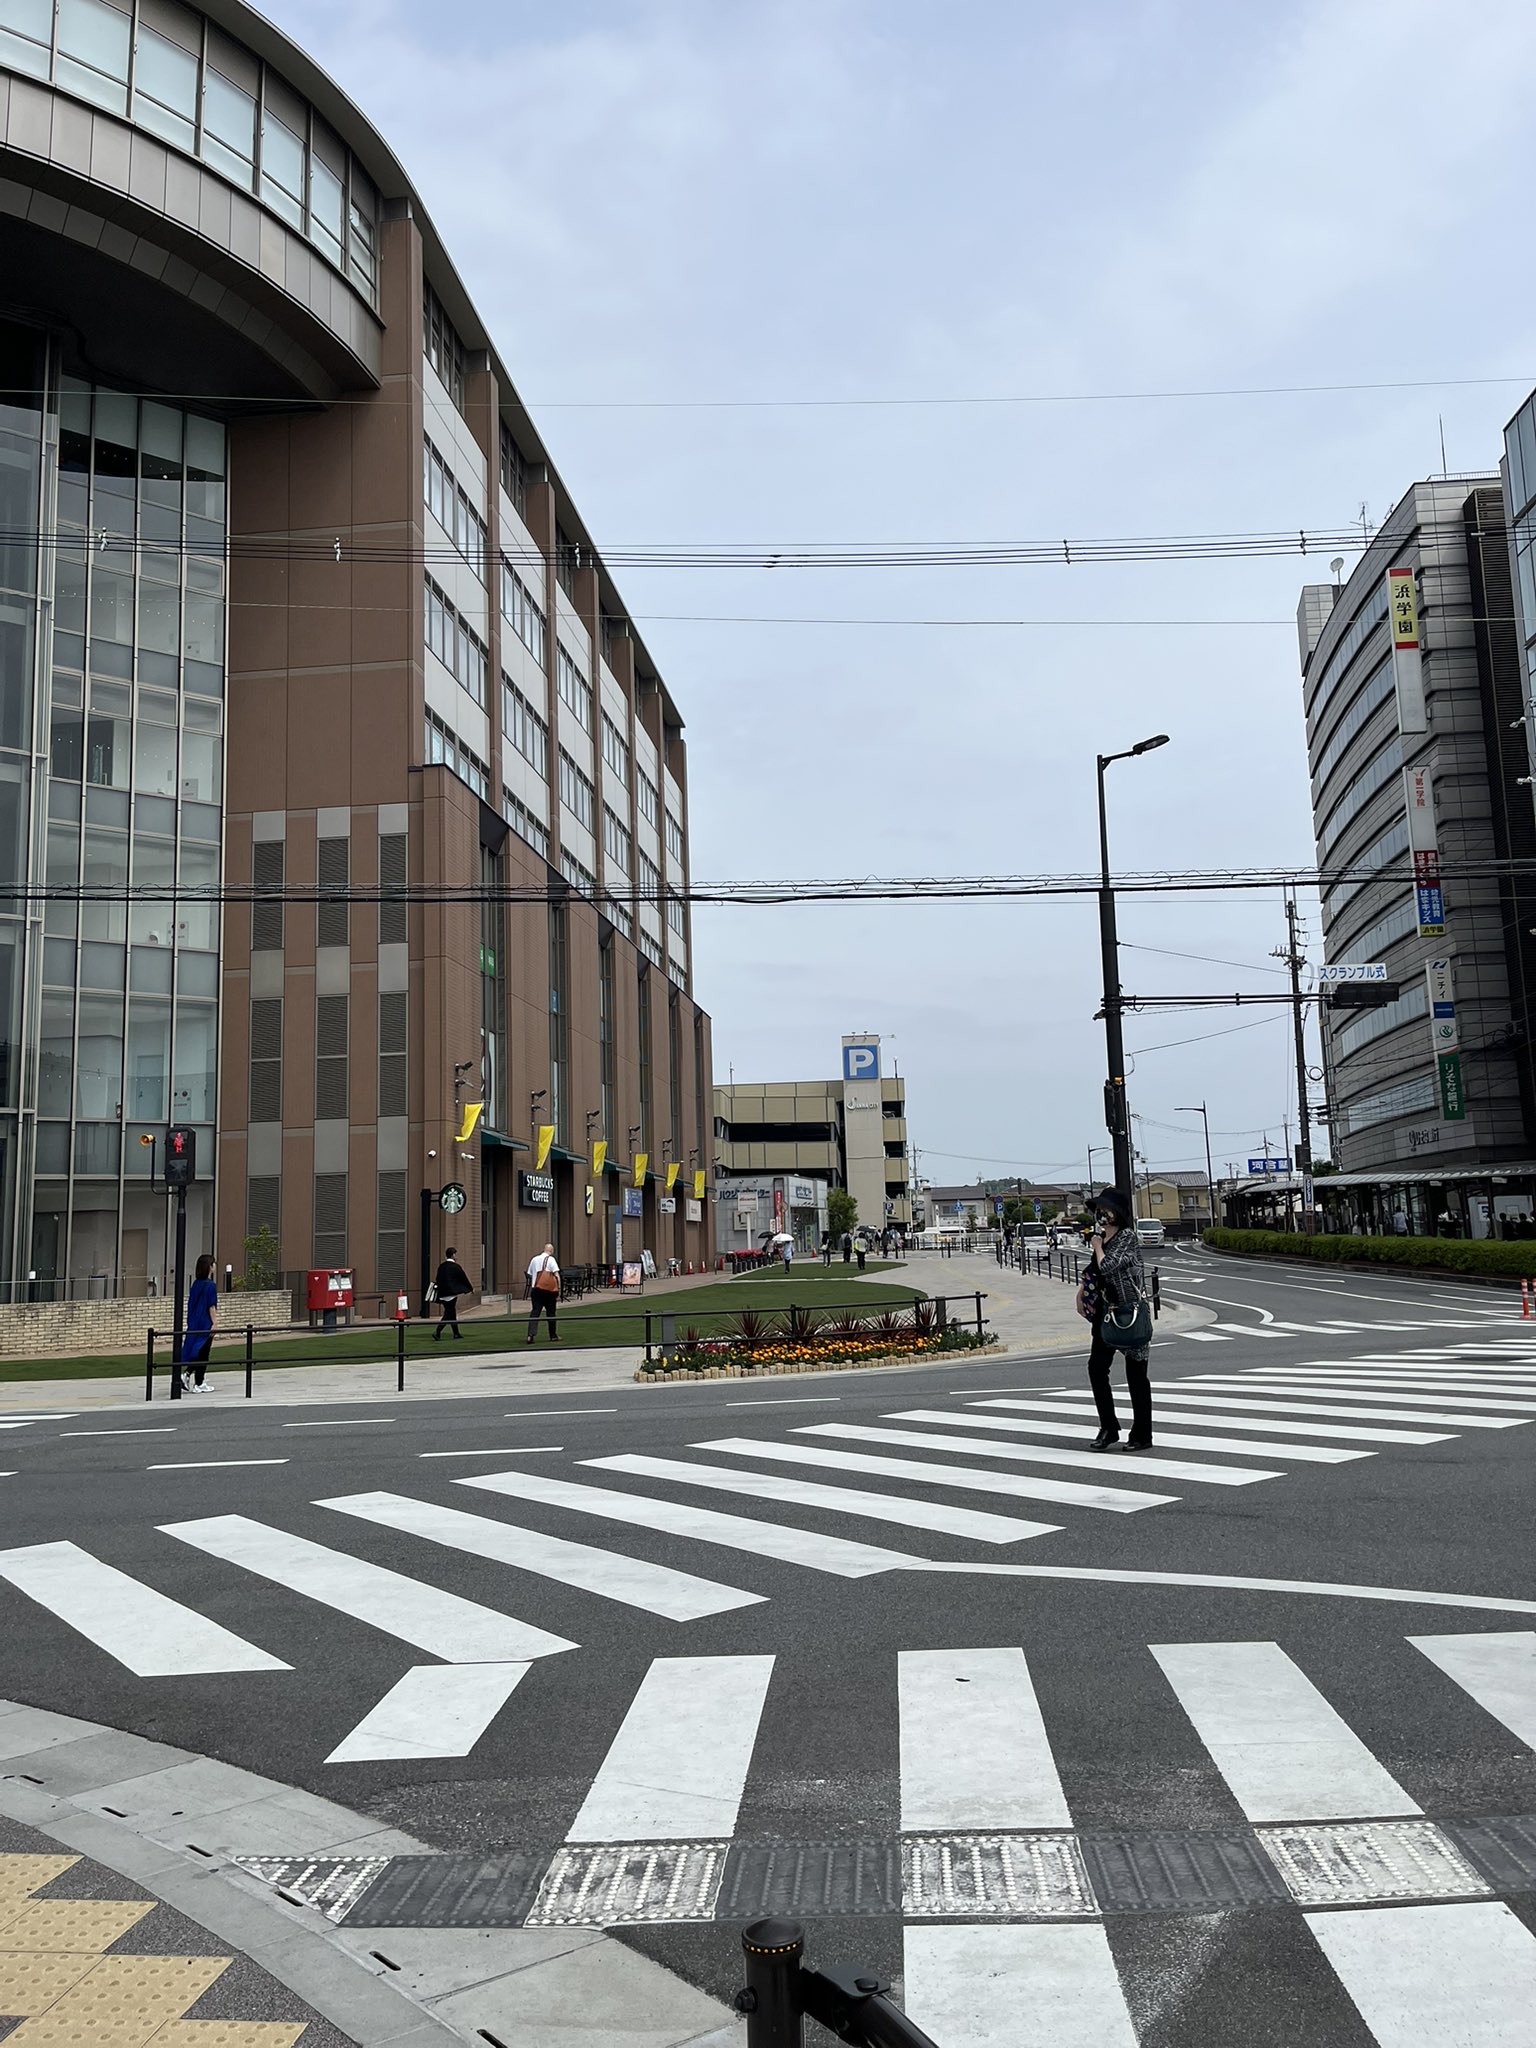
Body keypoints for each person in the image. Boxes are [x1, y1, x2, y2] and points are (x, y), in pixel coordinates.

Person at [1075, 1187, 1152, 1452]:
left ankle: (1142, 1434)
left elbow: (1108, 1266)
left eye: (1106, 1211)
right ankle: (1108, 1427)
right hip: (1106, 1313)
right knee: (1097, 1368)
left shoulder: (1126, 1237)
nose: (1101, 1215)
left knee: (1136, 1375)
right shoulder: (1103, 1238)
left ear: (1117, 1213)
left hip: (1129, 1312)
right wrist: (1081, 1293)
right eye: (1099, 1211)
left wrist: (1098, 1246)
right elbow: (1094, 1272)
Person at [183, 1252, 217, 1391]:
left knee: (198, 1350)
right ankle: (198, 1382)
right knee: (204, 1352)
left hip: (195, 1321)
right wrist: (215, 1323)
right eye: (213, 1264)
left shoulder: (196, 1284)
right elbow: (211, 1306)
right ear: (210, 1267)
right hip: (205, 1322)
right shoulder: (210, 1285)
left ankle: (190, 1375)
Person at [432, 1245, 474, 1340]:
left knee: (451, 1313)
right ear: (453, 1255)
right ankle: (438, 1331)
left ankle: (456, 1333)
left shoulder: (441, 1266)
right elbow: (463, 1278)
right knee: (448, 1313)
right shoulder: (455, 1267)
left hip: (442, 1293)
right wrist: (470, 1288)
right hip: (451, 1293)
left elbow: (437, 1278)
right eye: (455, 1254)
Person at [526, 1242, 560, 1342]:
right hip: (549, 1291)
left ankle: (530, 1334)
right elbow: (556, 1274)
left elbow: (530, 1273)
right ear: (551, 1251)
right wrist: (558, 1288)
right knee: (551, 1313)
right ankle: (553, 1335)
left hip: (536, 1289)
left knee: (535, 1312)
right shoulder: (551, 1259)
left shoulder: (534, 1259)